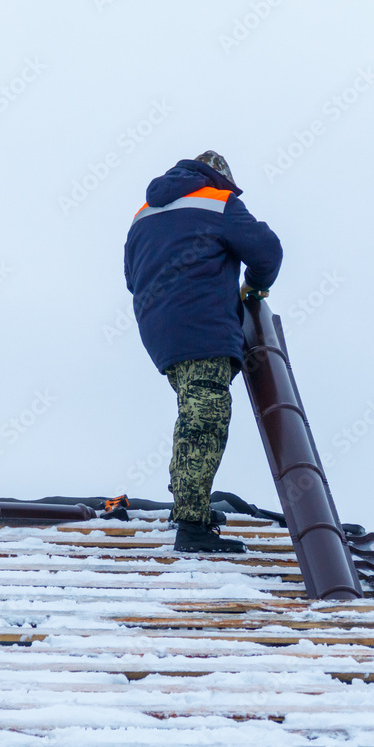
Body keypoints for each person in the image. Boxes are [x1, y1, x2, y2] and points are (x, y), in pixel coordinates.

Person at [124, 151, 283, 553]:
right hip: (202, 326)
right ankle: (192, 528)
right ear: (219, 178)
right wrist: (253, 286)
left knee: (192, 413)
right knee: (206, 419)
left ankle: (187, 506)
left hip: (160, 332)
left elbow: (132, 275)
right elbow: (267, 250)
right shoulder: (218, 200)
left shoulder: (144, 213)